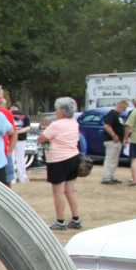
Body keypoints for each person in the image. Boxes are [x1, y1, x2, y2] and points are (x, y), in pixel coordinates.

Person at [39, 97, 83, 230]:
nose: (55, 112)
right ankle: (76, 218)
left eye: (57, 110)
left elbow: (42, 139)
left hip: (58, 160)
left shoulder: (56, 125)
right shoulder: (74, 122)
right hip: (73, 157)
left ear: (62, 112)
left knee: (58, 191)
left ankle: (60, 220)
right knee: (70, 189)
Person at [100, 100, 129, 184]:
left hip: (117, 141)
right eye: (124, 109)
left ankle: (111, 175)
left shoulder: (117, 115)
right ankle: (107, 177)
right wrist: (114, 135)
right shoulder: (112, 114)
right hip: (111, 140)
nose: (124, 111)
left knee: (114, 160)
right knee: (110, 159)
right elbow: (107, 125)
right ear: (120, 107)